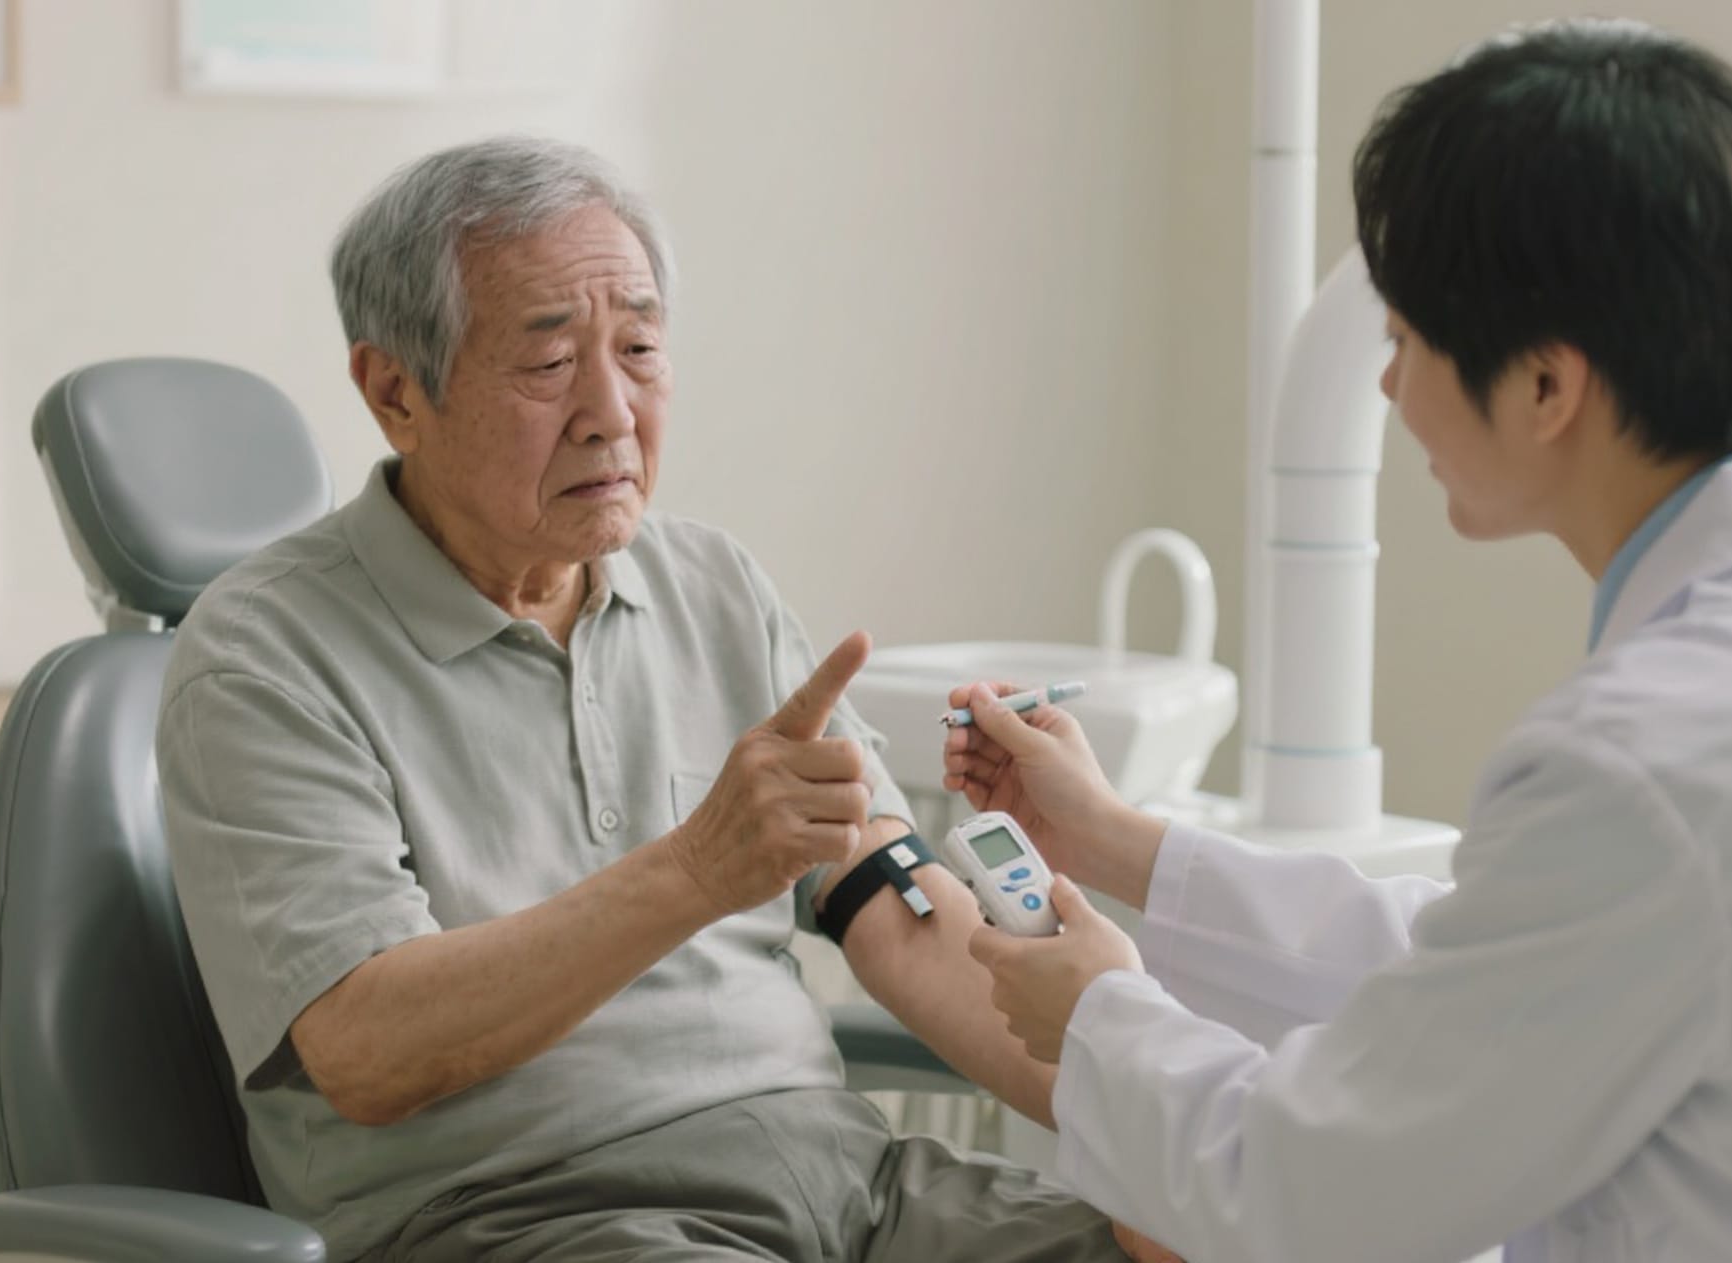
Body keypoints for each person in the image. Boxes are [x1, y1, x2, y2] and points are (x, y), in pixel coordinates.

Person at [157, 135, 1166, 1263]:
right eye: (549, 364)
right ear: (397, 391)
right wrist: (694, 871)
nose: (612, 411)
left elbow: (902, 917)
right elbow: (366, 1049)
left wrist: (1176, 1129)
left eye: (638, 349)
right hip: (530, 1216)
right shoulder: (262, 654)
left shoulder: (711, 585)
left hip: (848, 1184)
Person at [948, 19, 1732, 1263]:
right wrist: (1119, 845)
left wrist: (1102, 1015)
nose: (1387, 389)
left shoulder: (1650, 761)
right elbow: (1501, 973)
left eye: (1403, 343)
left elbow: (1319, 1193)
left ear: (1547, 387)